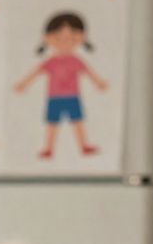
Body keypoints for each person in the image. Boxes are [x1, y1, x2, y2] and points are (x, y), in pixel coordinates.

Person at [14, 12, 109, 158]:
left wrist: (99, 83)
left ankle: (84, 146)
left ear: (81, 38)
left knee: (77, 122)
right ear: (47, 39)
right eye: (59, 38)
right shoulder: (50, 62)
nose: (65, 42)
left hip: (72, 96)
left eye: (72, 38)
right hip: (54, 98)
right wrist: (23, 84)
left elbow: (89, 73)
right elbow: (35, 73)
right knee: (52, 124)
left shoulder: (76, 60)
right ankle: (49, 148)